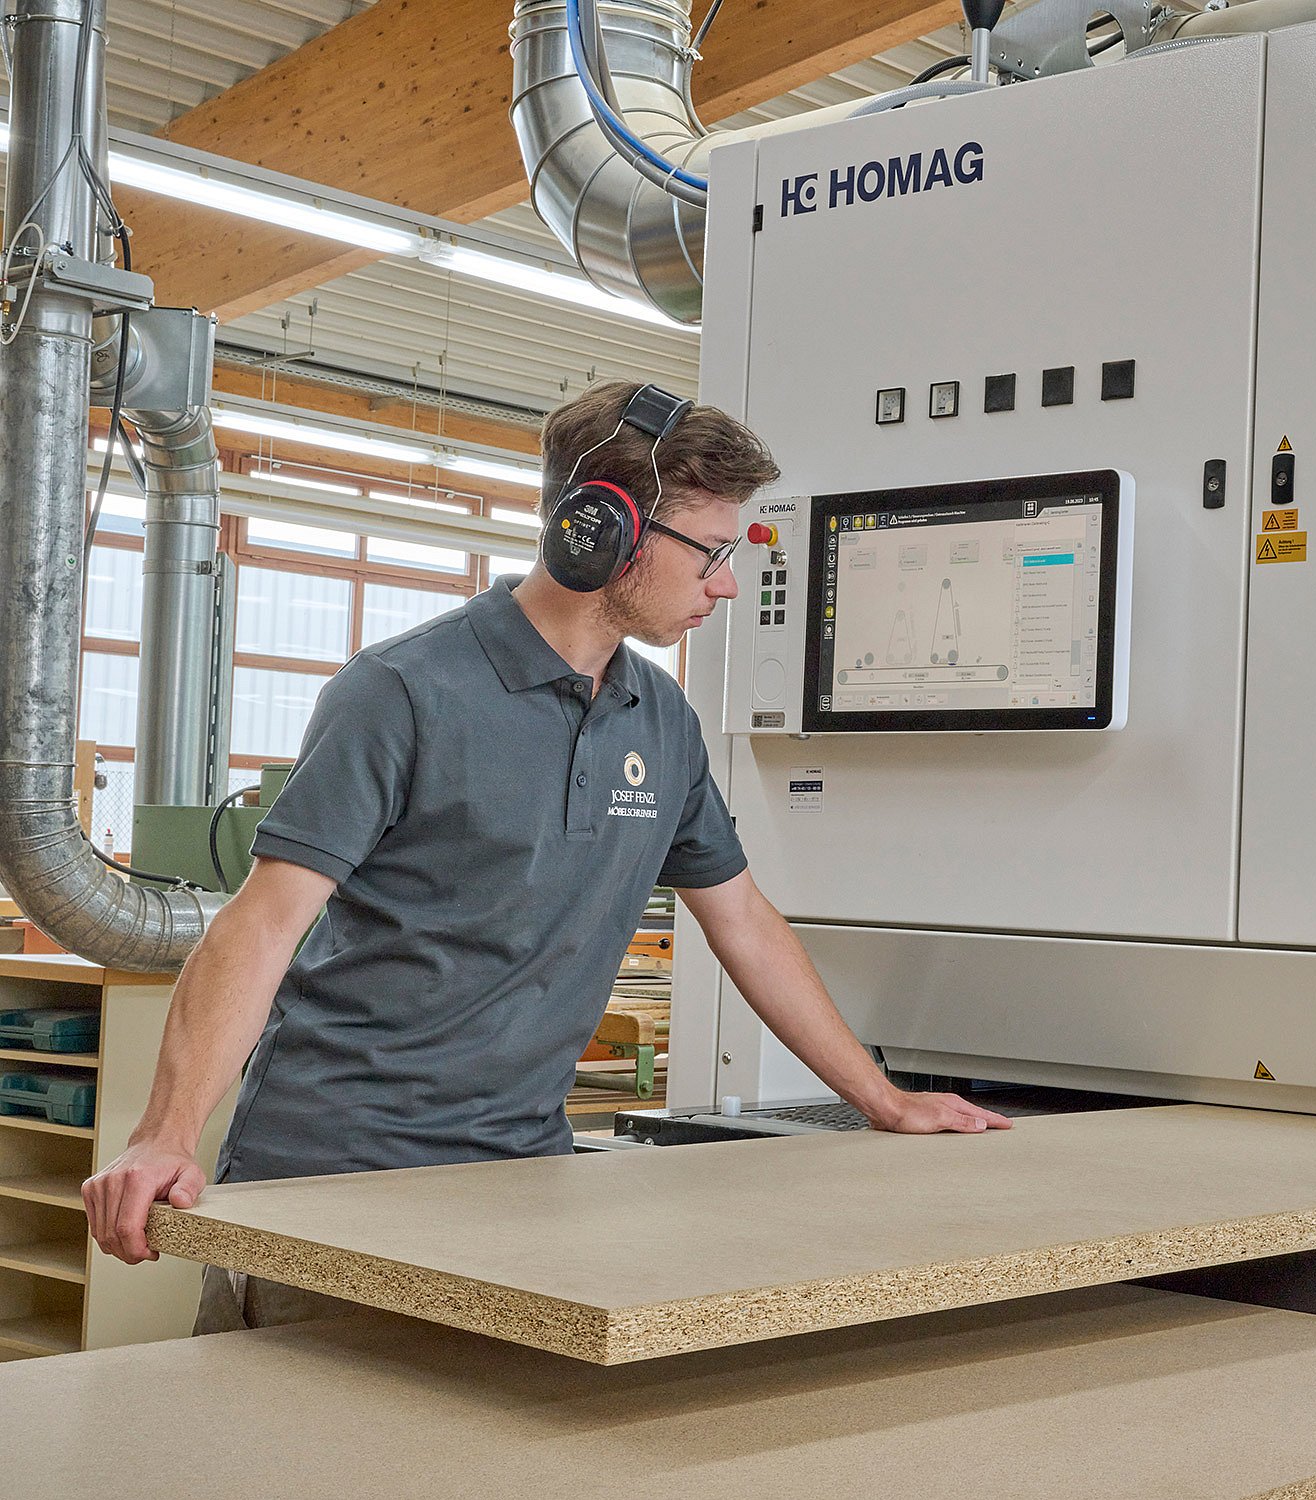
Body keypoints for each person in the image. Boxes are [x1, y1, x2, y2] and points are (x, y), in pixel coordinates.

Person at [82, 380, 1010, 1325]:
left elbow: (744, 923)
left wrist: (882, 1100)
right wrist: (165, 1133)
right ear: (602, 528)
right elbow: (262, 925)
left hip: (523, 1181)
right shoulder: (402, 691)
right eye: (710, 551)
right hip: (335, 1179)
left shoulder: (662, 719)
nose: (726, 584)